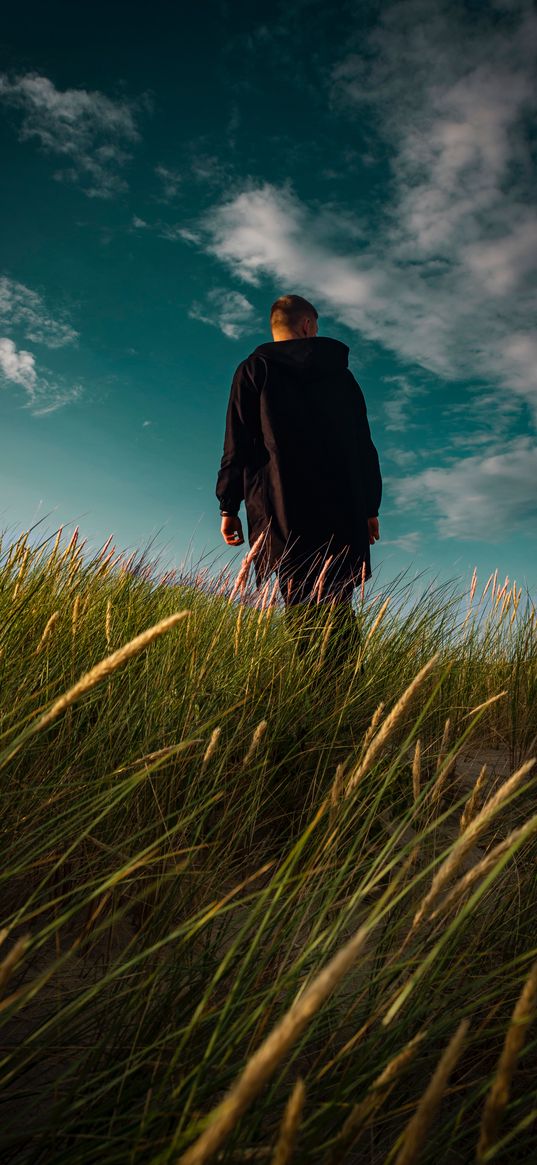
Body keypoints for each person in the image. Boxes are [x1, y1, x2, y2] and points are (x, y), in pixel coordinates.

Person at [216, 294, 382, 672]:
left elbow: (237, 442)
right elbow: (363, 445)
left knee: (299, 602)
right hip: (340, 509)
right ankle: (345, 696)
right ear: (308, 325)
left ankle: (313, 695)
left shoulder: (253, 370)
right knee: (338, 604)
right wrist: (370, 507)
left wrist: (229, 505)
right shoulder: (342, 377)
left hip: (282, 507)